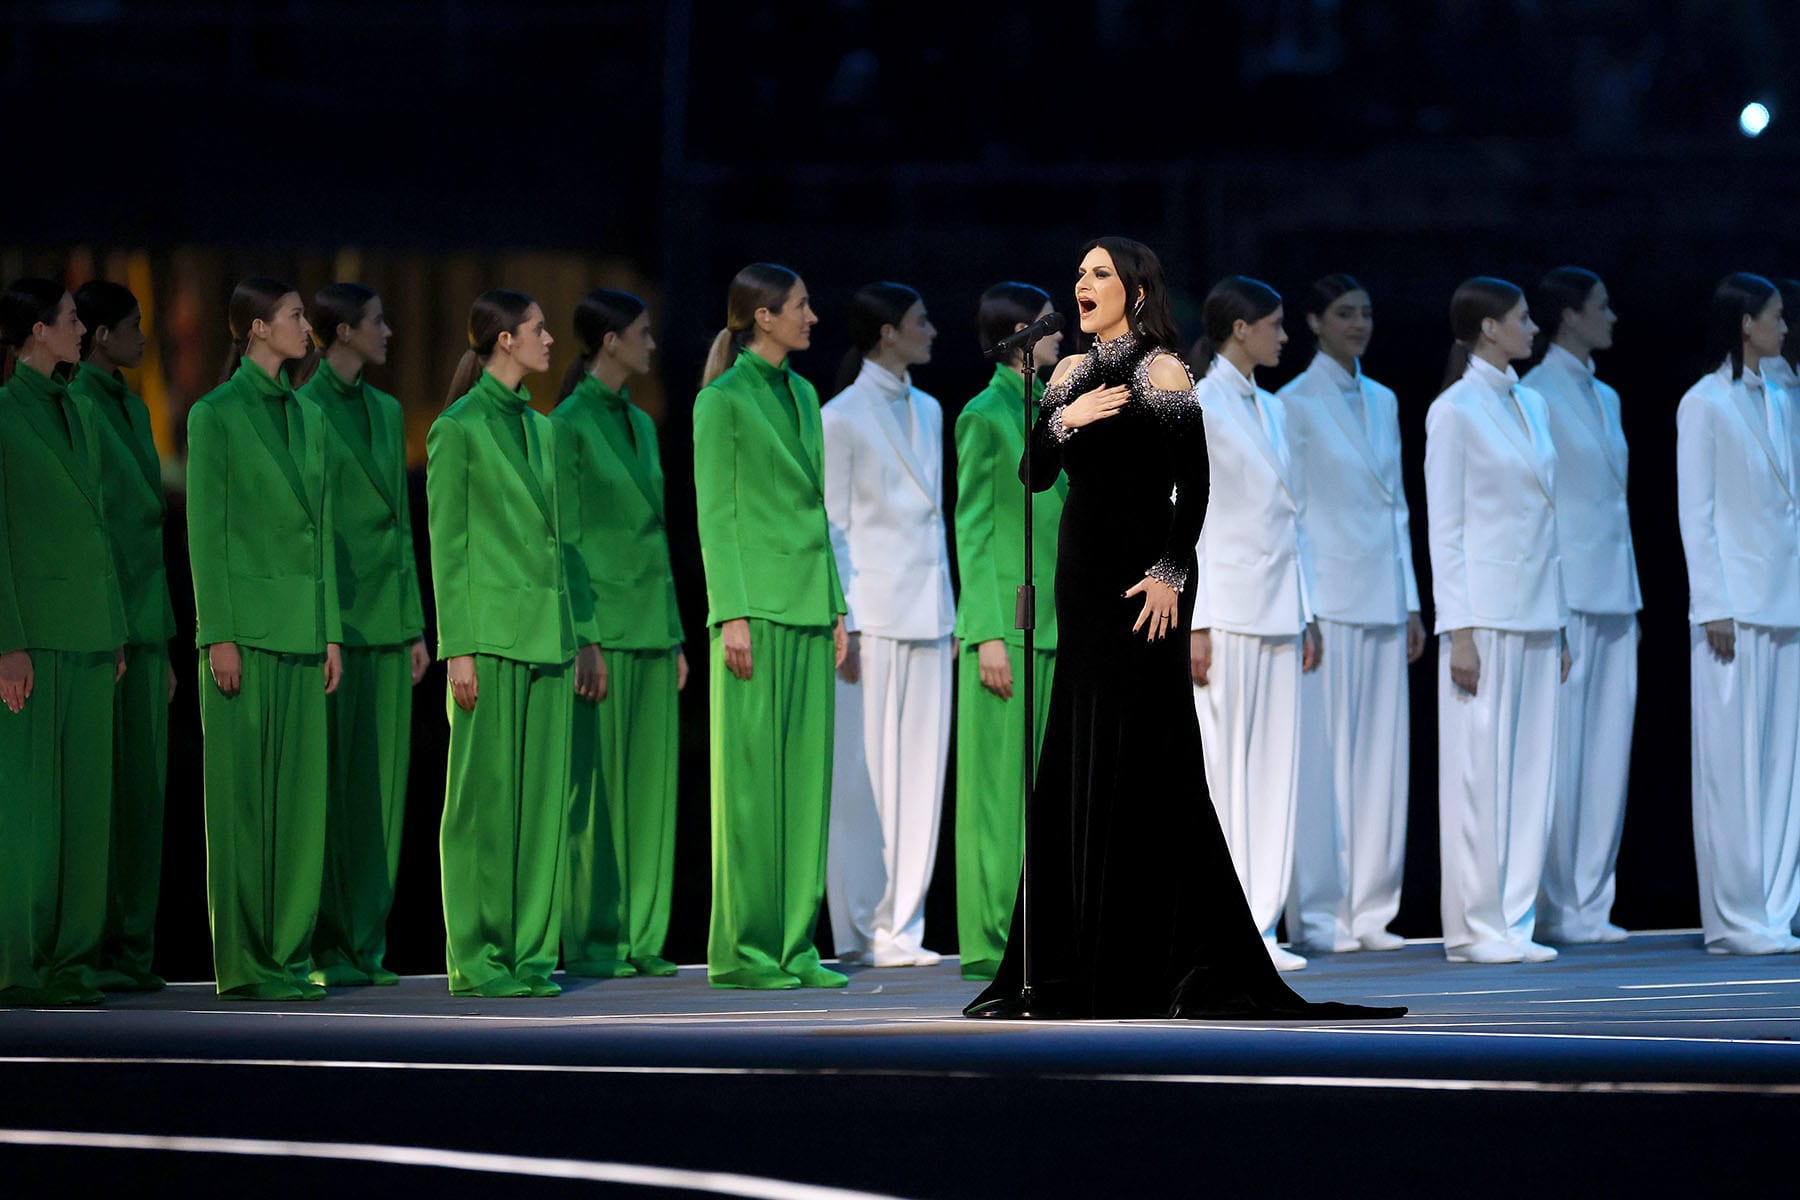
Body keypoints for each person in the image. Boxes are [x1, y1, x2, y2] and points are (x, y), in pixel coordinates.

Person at [966, 237, 1403, 1020]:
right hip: (1083, 584)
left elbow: (1194, 485)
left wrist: (1171, 573)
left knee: (1148, 758)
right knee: (1078, 751)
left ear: (1134, 291)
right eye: (1079, 272)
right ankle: (1064, 968)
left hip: (1147, 586)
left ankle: (1162, 960)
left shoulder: (1164, 370)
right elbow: (1034, 475)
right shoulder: (1063, 375)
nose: (1082, 283)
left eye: (1098, 273)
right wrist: (1065, 421)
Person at [694, 263, 849, 990]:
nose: (811, 316)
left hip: (809, 605)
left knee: (805, 785)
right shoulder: (721, 401)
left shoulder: (805, 392)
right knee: (753, 786)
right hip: (755, 607)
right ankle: (745, 950)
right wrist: (729, 613)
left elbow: (817, 510)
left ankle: (794, 945)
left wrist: (837, 602)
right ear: (762, 316)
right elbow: (716, 515)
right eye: (800, 305)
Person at [188, 277, 342, 1000]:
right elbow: (206, 534)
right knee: (244, 805)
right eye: (293, 317)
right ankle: (246, 961)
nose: (306, 327)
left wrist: (332, 632)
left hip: (304, 631)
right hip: (245, 633)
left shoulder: (309, 417)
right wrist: (217, 633)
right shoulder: (214, 416)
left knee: (299, 804)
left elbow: (323, 534)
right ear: (255, 329)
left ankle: (287, 953)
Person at [428, 289, 579, 997]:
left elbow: (559, 545)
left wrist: (573, 633)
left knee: (539, 802)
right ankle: (478, 956)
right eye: (539, 330)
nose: (550, 340)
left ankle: (527, 953)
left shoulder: (543, 429)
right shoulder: (458, 428)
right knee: (482, 801)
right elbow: (448, 545)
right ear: (505, 342)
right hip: (487, 637)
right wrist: (456, 645)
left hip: (546, 635)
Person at [1425, 276, 1570, 965]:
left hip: (1539, 608)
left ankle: (1516, 919)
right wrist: (1460, 628)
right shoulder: (1453, 411)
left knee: (1531, 774)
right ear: (1488, 328)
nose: (1533, 328)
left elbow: (1550, 519)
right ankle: (1475, 926)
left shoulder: (1534, 404)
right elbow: (1445, 528)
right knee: (1480, 772)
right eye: (1522, 318)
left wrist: (1562, 616)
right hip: (1484, 614)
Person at [1280, 274, 1423, 957]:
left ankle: (1371, 908)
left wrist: (1414, 601)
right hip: (1329, 597)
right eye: (1344, 313)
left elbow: (1396, 505)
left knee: (1380, 761)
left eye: (1365, 312)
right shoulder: (1293, 403)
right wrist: (1303, 606)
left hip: (1382, 597)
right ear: (1314, 321)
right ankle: (1318, 913)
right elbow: (1295, 514)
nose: (1358, 323)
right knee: (1328, 757)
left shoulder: (1385, 398)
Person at [552, 288, 687, 980]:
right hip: (603, 626)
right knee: (595, 789)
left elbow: (657, 536)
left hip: (651, 626)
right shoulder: (569, 422)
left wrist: (674, 633)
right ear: (610, 341)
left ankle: (640, 934)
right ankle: (593, 934)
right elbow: (567, 537)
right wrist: (585, 634)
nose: (650, 343)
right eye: (640, 332)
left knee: (647, 790)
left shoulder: (639, 420)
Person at [821, 282, 956, 970]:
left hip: (930, 613)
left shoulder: (929, 409)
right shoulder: (840, 416)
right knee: (863, 778)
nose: (930, 329)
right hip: (873, 617)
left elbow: (934, 523)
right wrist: (844, 615)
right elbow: (834, 525)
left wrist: (951, 610)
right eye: (919, 320)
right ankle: (859, 928)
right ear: (885, 333)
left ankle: (904, 923)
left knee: (920, 777)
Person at [298, 282, 429, 987]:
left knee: (381, 794)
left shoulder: (385, 409)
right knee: (333, 787)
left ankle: (366, 944)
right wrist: (322, 629)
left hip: (385, 620)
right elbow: (310, 528)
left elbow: (402, 527)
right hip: (335, 624)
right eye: (377, 323)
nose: (388, 332)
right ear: (342, 331)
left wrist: (413, 623)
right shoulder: (305, 406)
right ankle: (325, 945)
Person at [0, 279, 127, 1007]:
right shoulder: (5, 413)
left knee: (86, 810)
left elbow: (99, 529)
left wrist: (113, 628)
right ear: (38, 331)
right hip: (34, 639)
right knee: (29, 813)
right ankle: (21, 960)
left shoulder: (78, 407)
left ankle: (75, 959)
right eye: (73, 320)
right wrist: (8, 642)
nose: (83, 330)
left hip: (87, 631)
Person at [1189, 275, 1320, 973]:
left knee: (1274, 773)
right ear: (1240, 329)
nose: (1284, 335)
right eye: (1273, 324)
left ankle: (1262, 924)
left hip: (1276, 608)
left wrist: (1306, 611)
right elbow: (1183, 517)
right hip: (1228, 612)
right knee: (1224, 774)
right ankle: (1222, 926)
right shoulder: (1199, 403)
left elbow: (1294, 520)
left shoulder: (1272, 410)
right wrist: (1195, 621)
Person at [1676, 272, 1800, 955]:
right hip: (1737, 607)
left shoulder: (1785, 396)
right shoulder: (1705, 403)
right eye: (1776, 316)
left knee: (1784, 767)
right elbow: (1697, 513)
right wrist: (1713, 602)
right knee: (1734, 766)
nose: (1785, 327)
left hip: (1787, 601)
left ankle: (1775, 911)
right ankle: (1733, 918)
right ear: (1746, 323)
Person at [1523, 267, 1641, 945]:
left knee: (1606, 755)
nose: (1613, 317)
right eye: (1602, 306)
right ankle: (1551, 903)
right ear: (1569, 316)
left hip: (1616, 589)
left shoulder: (1607, 395)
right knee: (1562, 753)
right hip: (1565, 595)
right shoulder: (1536, 395)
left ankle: (1590, 904)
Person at [953, 281, 1066, 982]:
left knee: (1044, 791)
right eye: (1052, 324)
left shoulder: (1052, 408)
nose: (1064, 335)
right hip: (1010, 625)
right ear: (1024, 333)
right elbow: (972, 527)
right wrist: (987, 632)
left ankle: (1037, 930)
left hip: (1057, 621)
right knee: (999, 790)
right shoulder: (983, 414)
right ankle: (991, 937)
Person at [69, 279, 177, 992]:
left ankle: (132, 948)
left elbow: (149, 527)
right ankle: (91, 946)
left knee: (143, 794)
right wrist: (108, 628)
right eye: (133, 327)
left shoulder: (135, 409)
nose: (144, 338)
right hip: (104, 624)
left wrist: (162, 640)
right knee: (98, 795)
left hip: (146, 620)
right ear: (100, 336)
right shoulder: (74, 406)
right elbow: (92, 529)